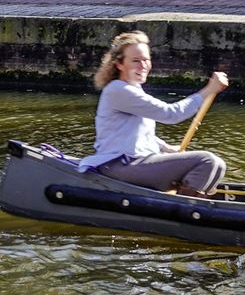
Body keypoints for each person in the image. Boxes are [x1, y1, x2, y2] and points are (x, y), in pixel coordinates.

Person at [77, 30, 230, 196]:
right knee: (207, 161)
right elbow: (171, 114)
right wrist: (209, 90)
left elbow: (139, 133)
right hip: (120, 164)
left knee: (218, 166)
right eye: (136, 61)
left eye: (146, 60)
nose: (143, 66)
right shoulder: (118, 90)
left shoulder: (133, 89)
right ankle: (182, 205)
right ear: (119, 64)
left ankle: (187, 200)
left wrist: (166, 148)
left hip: (140, 161)